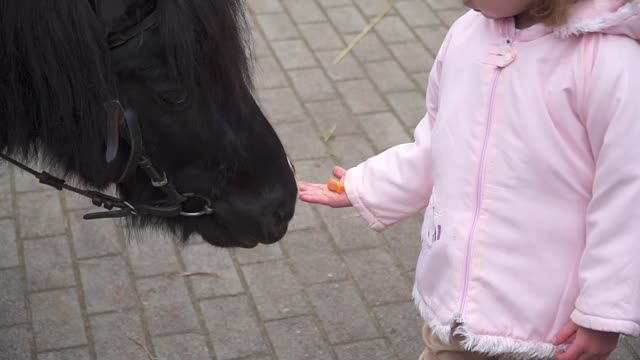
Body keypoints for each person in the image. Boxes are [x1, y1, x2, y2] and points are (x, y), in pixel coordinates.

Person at [297, 0, 640, 359]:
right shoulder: (466, 35)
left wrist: (604, 312)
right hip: (454, 314)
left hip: (545, 330)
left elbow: (627, 199)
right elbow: (437, 141)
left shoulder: (609, 63)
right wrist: (368, 184)